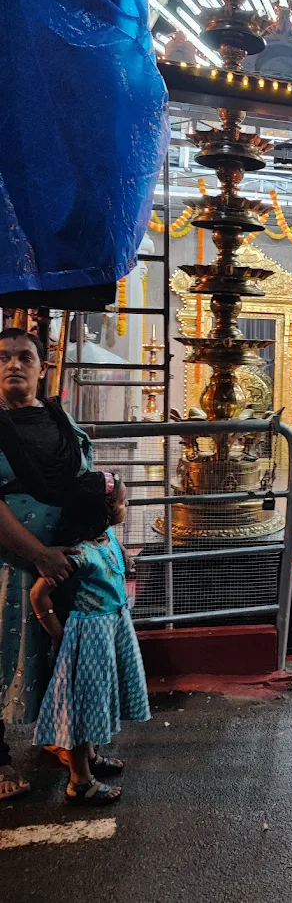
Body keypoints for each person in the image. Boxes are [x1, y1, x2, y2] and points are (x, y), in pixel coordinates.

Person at [0, 328, 93, 802]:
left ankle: (62, 738)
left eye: (24, 357)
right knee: (2, 655)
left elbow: (81, 478)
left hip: (66, 561)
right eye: (3, 358)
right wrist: (36, 553)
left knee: (62, 653)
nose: (14, 365)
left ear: (42, 366)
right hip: (12, 563)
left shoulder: (59, 417)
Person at [31, 471, 150, 805]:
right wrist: (59, 634)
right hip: (90, 636)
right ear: (106, 510)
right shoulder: (77, 554)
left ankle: (90, 758)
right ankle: (80, 781)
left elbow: (115, 558)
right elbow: (39, 596)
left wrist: (122, 555)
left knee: (96, 700)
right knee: (83, 708)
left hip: (112, 628)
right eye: (123, 502)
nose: (127, 507)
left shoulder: (107, 538)